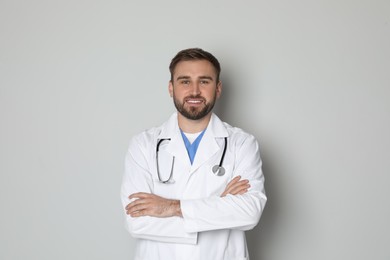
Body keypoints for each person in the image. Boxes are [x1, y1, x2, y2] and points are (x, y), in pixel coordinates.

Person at [121, 48, 267, 260]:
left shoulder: (242, 144)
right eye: (185, 81)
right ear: (171, 88)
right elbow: (136, 222)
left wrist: (170, 207)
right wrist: (220, 205)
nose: (195, 91)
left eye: (204, 81)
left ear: (218, 89)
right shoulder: (143, 145)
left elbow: (250, 212)